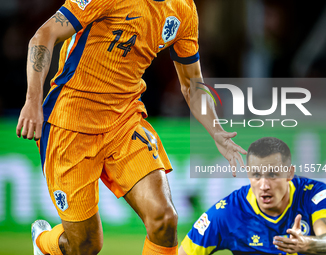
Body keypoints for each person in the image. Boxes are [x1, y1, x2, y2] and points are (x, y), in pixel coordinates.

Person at [16, 0, 247, 254]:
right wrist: (32, 101)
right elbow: (44, 35)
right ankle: (44, 243)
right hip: (70, 122)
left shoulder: (184, 10)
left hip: (123, 121)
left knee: (164, 218)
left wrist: (216, 131)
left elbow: (192, 83)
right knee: (85, 245)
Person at [179, 137, 326, 255]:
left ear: (289, 173)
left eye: (272, 175)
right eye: (256, 175)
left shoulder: (314, 195)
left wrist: (306, 244)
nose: (264, 186)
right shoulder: (227, 213)